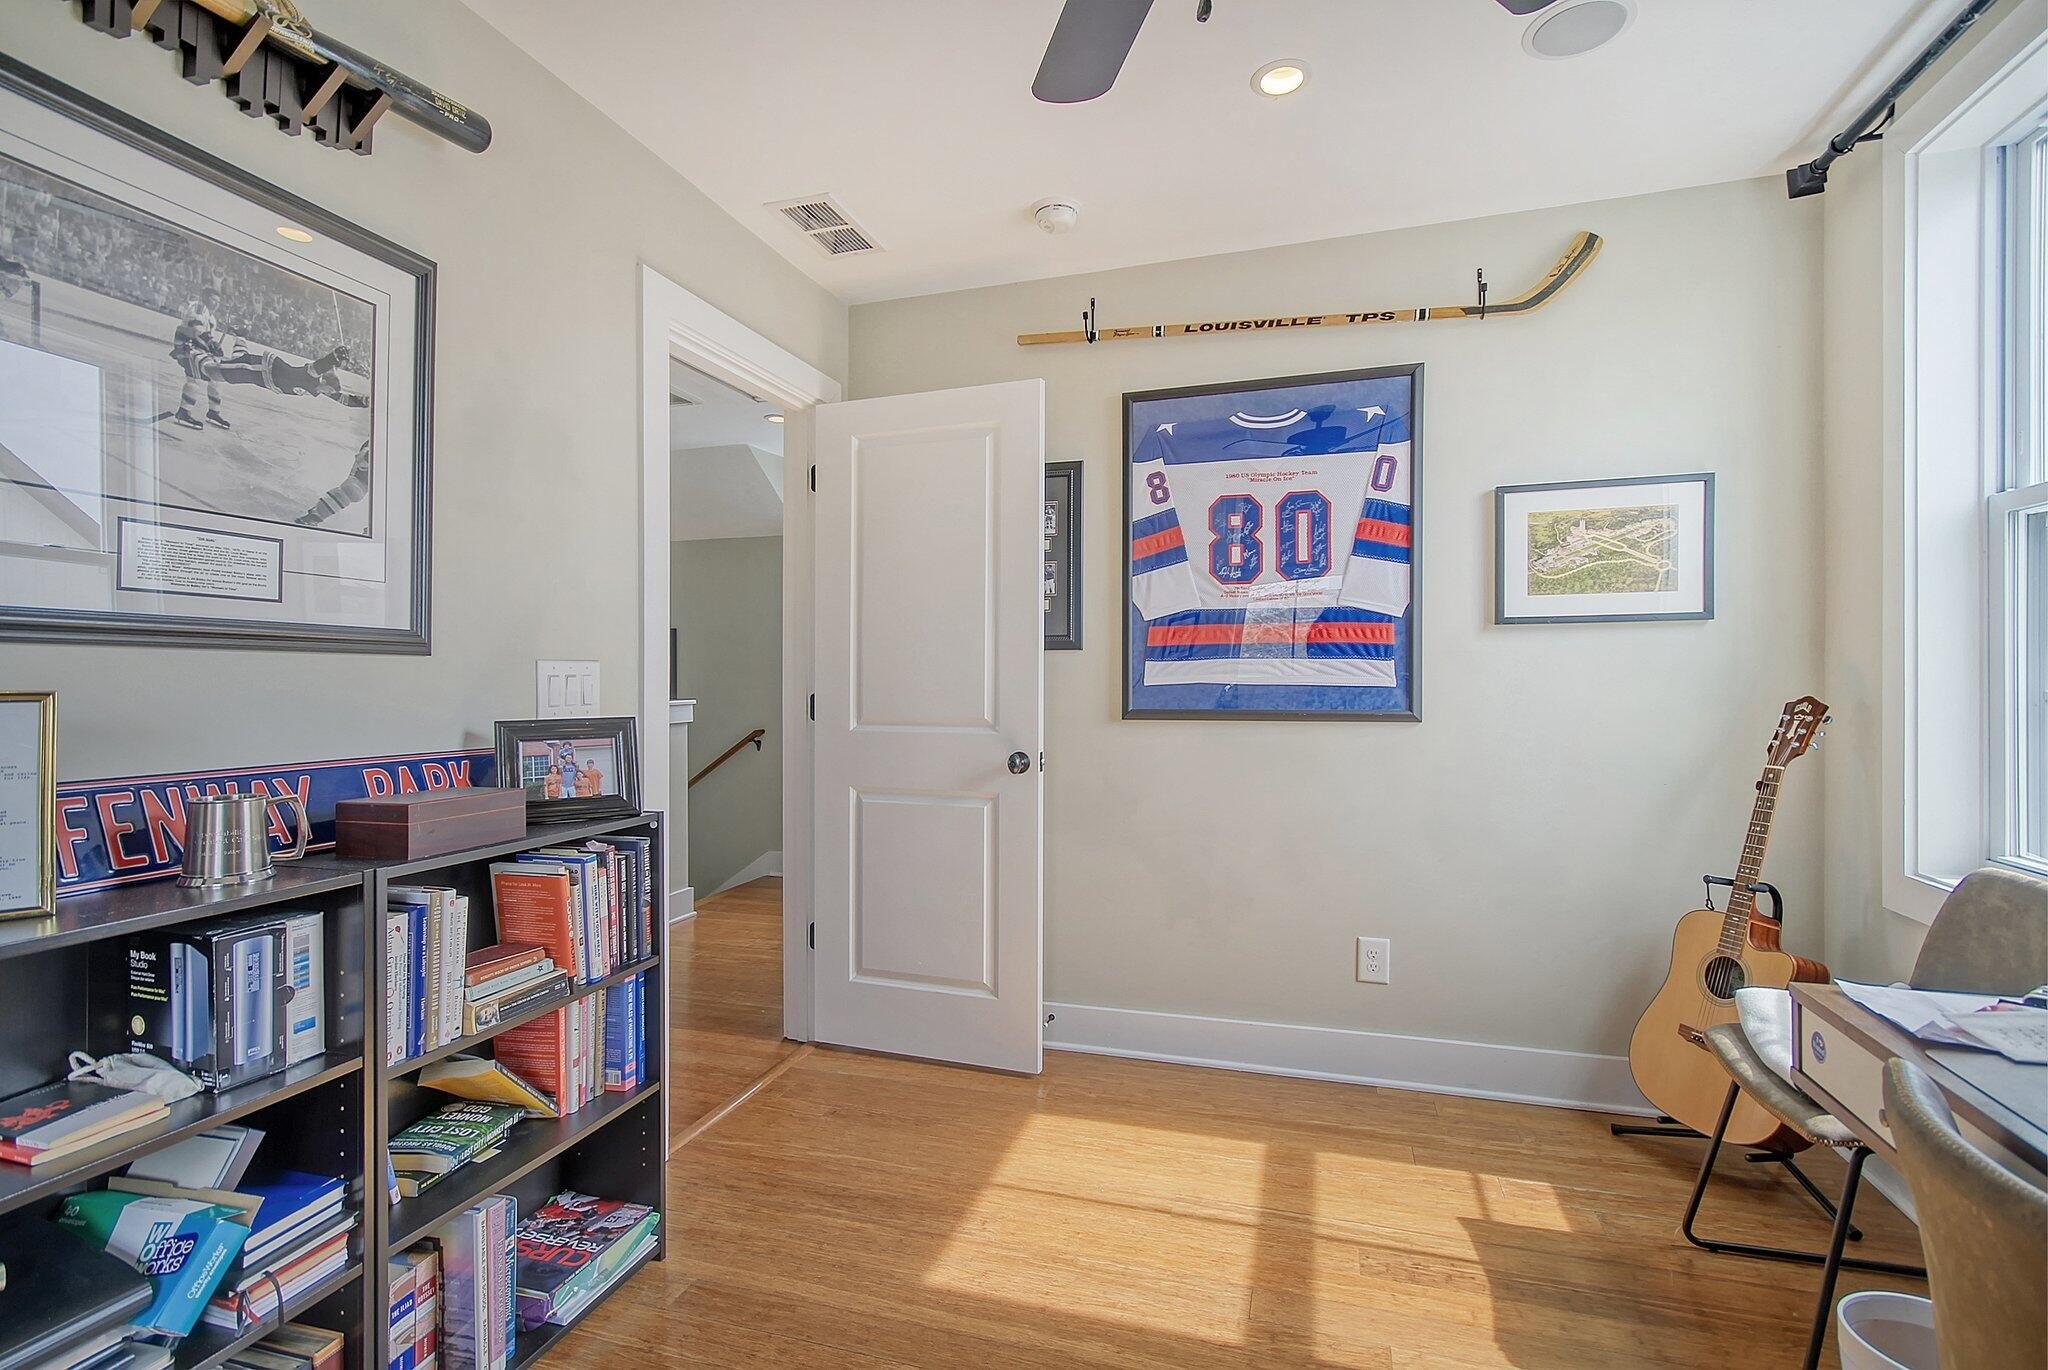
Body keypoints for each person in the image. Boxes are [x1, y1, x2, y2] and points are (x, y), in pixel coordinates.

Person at [167, 298, 232, 431]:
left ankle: (213, 412)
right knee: (193, 380)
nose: (216, 303)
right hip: (187, 346)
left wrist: (212, 347)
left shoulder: (211, 317)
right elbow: (196, 329)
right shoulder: (199, 307)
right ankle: (183, 412)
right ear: (206, 298)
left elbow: (204, 336)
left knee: (214, 379)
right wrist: (210, 343)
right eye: (213, 299)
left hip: (197, 348)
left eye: (217, 300)